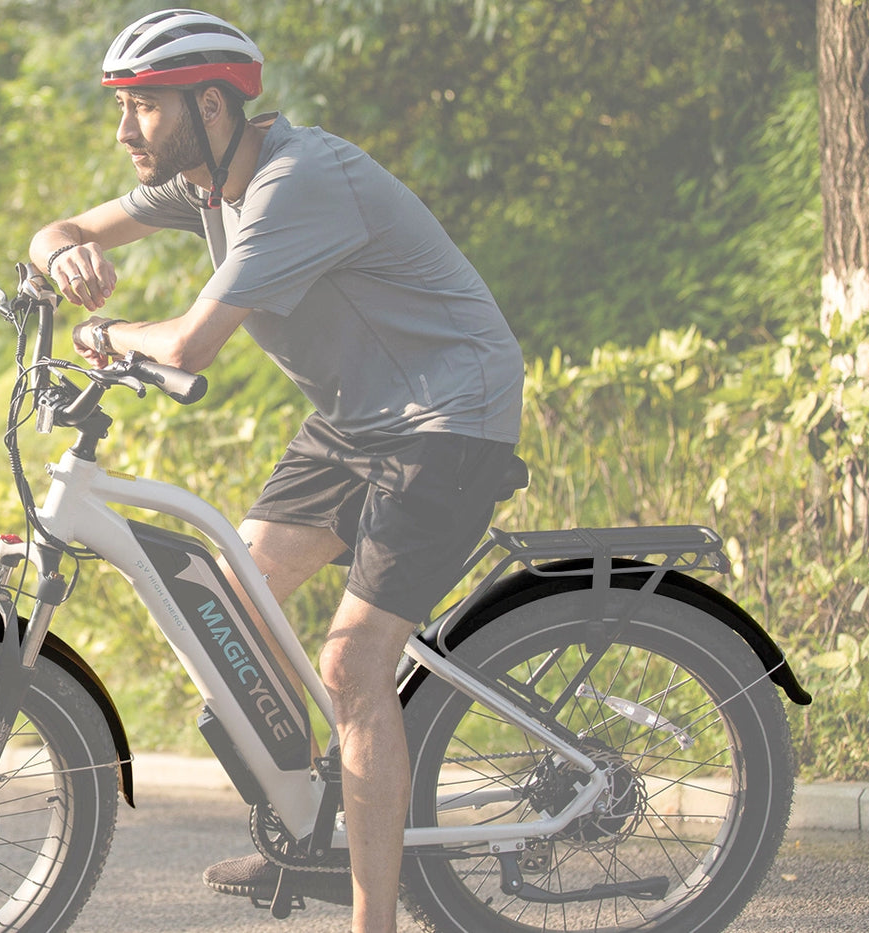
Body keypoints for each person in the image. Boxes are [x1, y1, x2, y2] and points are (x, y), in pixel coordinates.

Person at [28, 10, 524, 933]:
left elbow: (188, 343)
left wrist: (103, 333)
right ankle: (316, 818)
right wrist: (68, 255)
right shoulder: (204, 184)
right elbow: (54, 228)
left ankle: (372, 921)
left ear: (209, 105)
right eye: (122, 108)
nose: (123, 129)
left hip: (448, 420)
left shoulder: (297, 183)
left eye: (141, 107)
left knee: (351, 667)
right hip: (355, 420)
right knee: (233, 601)